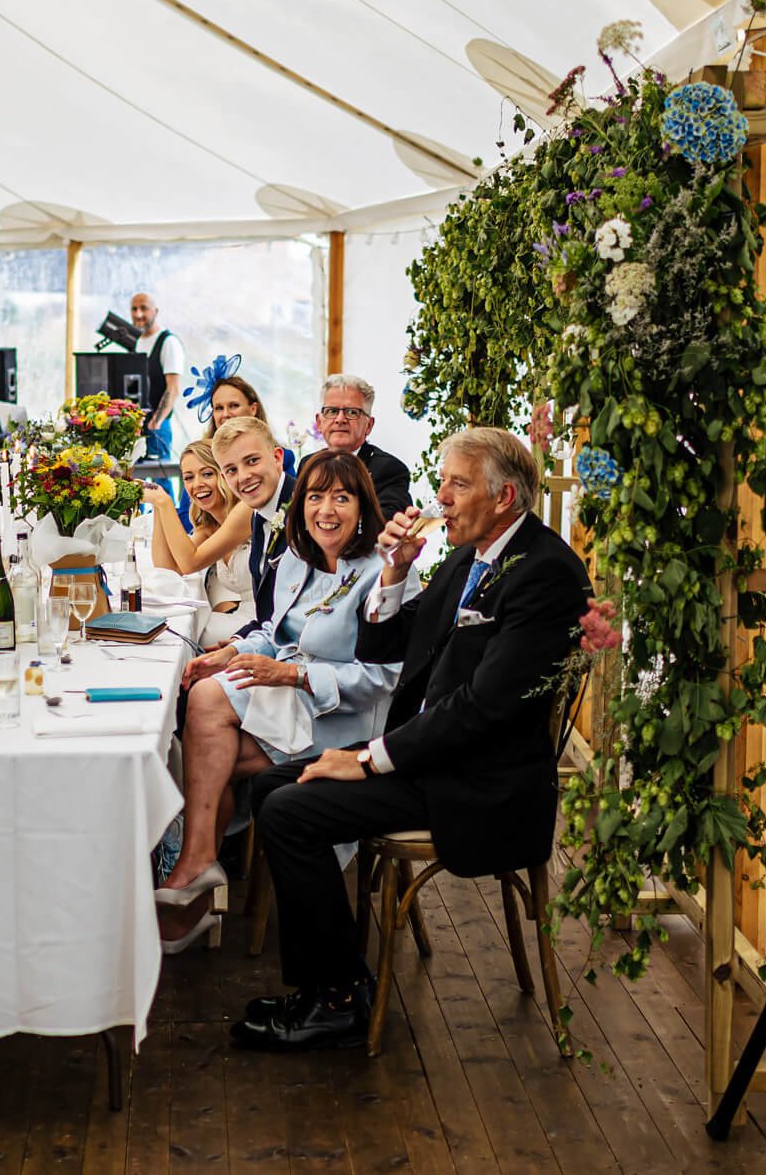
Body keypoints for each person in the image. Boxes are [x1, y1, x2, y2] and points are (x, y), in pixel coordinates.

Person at [233, 428, 590, 1051]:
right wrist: (394, 572)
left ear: (504, 496)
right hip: (429, 758)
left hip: (478, 780)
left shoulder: (546, 573)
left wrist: (369, 760)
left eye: (457, 484)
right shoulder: (465, 556)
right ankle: (339, 981)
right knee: (270, 786)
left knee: (291, 810)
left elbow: (482, 709)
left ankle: (336, 1001)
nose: (441, 497)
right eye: (444, 482)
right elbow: (387, 646)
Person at [159, 450, 412, 953]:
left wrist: (294, 675)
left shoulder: (382, 574)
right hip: (287, 702)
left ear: (363, 506)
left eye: (342, 498)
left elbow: (384, 680)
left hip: (345, 720)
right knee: (205, 696)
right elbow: (275, 635)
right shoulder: (299, 559)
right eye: (316, 497)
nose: (326, 510)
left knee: (201, 748)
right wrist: (231, 651)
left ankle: (192, 872)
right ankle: (199, 867)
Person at [141, 440, 255, 646]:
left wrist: (165, 504)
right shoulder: (210, 526)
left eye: (207, 474)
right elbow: (169, 568)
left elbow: (189, 563)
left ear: (224, 474)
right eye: (189, 478)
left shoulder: (245, 511)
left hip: (261, 623)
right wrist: (158, 506)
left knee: (172, 636)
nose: (197, 484)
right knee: (166, 631)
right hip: (241, 617)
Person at [212, 416, 296, 633]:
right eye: (231, 470)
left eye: (252, 461)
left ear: (277, 458)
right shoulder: (258, 516)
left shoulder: (303, 511)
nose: (244, 476)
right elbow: (267, 613)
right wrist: (237, 644)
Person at [314, 374, 411, 519]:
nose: (340, 419)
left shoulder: (389, 470)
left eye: (352, 412)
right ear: (319, 423)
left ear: (369, 425)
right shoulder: (309, 464)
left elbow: (385, 525)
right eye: (332, 411)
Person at [130, 292, 185, 490]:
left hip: (157, 425)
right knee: (137, 481)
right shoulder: (136, 342)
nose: (138, 314)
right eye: (134, 309)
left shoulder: (168, 342)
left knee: (161, 477)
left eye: (143, 308)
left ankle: (167, 518)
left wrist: (156, 421)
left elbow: (173, 388)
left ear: (156, 311)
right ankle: (142, 520)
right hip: (137, 425)